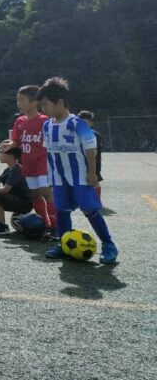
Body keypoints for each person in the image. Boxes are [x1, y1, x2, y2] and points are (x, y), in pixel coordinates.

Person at [37, 78, 117, 264]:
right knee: (62, 210)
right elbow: (49, 152)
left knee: (89, 209)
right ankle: (64, 245)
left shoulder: (77, 123)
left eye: (45, 104)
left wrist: (92, 173)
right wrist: (50, 176)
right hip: (59, 178)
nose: (43, 109)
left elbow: (91, 150)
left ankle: (108, 245)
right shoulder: (47, 125)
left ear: (59, 102)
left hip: (80, 176)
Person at [0, 85, 56, 238]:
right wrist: (9, 145)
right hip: (27, 163)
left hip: (43, 161)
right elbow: (16, 141)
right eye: (17, 100)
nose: (18, 103)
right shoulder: (19, 121)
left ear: (34, 101)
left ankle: (56, 226)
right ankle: (44, 225)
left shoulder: (45, 120)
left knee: (46, 192)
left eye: (22, 100)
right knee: (35, 195)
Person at [78, 110, 103, 200]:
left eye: (85, 123)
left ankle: (97, 201)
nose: (82, 125)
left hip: (92, 165)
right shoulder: (75, 134)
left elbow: (94, 153)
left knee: (94, 183)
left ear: (91, 123)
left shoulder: (94, 135)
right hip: (79, 165)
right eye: (80, 123)